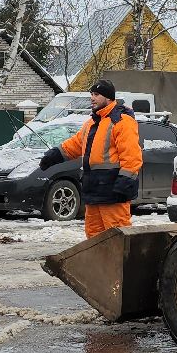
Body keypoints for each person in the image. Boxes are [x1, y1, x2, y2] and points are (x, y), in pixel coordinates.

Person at [39, 79, 142, 238]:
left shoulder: (122, 121)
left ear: (108, 98)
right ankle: (98, 264)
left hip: (113, 192)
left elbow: (132, 156)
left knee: (116, 237)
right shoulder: (91, 123)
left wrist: (124, 185)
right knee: (93, 238)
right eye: (91, 94)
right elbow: (75, 145)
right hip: (94, 191)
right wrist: (54, 155)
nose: (92, 98)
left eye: (96, 94)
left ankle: (117, 264)